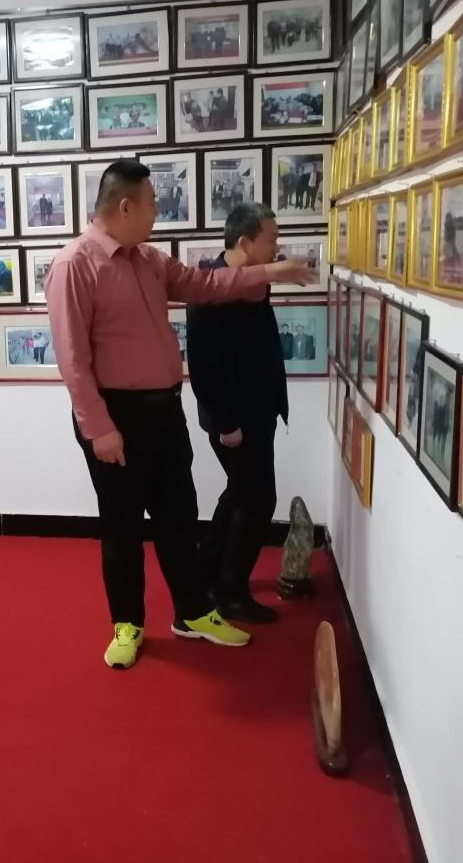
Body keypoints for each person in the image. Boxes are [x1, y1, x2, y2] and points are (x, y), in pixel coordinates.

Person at [46, 161, 314, 669]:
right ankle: (127, 625)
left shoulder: (150, 259)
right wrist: (100, 429)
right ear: (126, 206)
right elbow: (73, 360)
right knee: (123, 528)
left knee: (179, 519)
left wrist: (270, 271)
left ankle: (192, 613)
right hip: (115, 418)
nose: (157, 213)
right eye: (152, 204)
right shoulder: (75, 265)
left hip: (165, 412)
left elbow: (205, 284)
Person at [186, 204, 295, 624]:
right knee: (258, 499)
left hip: (257, 412)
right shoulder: (210, 290)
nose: (277, 247)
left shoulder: (252, 284)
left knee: (240, 492)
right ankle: (230, 591)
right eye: (271, 239)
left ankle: (207, 569)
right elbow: (203, 367)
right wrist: (227, 423)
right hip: (235, 420)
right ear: (245, 242)